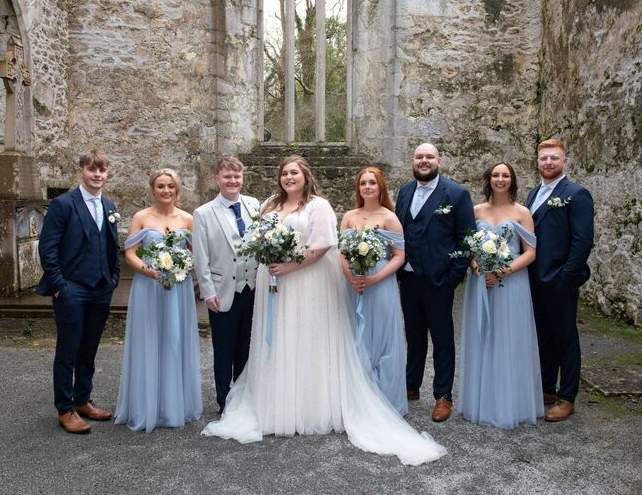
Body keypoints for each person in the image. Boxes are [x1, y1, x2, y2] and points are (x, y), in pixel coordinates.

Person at [202, 156, 446, 466]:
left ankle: (311, 405)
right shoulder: (268, 206)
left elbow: (321, 247)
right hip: (275, 282)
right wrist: (271, 258)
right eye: (285, 173)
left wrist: (290, 265)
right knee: (279, 340)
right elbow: (256, 239)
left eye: (295, 173)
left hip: (307, 282)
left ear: (306, 176)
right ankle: (276, 404)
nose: (289, 177)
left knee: (307, 338)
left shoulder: (318, 206)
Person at [36, 149, 120, 434]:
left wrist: (113, 279)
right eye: (91, 170)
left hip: (100, 289)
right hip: (71, 289)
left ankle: (83, 399)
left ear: (107, 173)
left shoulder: (109, 206)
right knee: (68, 350)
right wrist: (60, 286)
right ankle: (65, 408)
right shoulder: (63, 204)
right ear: (81, 171)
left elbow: (111, 246)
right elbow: (48, 249)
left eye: (102, 170)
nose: (97, 175)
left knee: (89, 348)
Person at [456, 161, 543, 428]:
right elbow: (468, 248)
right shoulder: (475, 211)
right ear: (488, 180)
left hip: (511, 283)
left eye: (505, 175)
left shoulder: (522, 212)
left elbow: (531, 252)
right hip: (481, 282)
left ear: (512, 180)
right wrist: (477, 267)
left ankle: (509, 403)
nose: (500, 179)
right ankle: (481, 401)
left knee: (509, 338)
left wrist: (502, 271)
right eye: (495, 175)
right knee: (483, 338)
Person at [114, 169, 202, 432]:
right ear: (152, 190)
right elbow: (130, 253)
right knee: (149, 339)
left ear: (177, 190)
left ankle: (174, 405)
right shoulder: (141, 217)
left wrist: (185, 267)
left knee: (175, 341)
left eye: (171, 186)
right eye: (161, 186)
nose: (166, 191)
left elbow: (196, 253)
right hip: (148, 285)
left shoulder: (187, 219)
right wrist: (147, 270)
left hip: (178, 288)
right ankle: (146, 405)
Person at [395, 143, 476, 422]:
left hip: (439, 280)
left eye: (429, 156)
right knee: (413, 335)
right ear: (413, 161)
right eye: (419, 156)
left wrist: (452, 277)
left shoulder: (455, 193)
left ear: (439, 160)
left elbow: (467, 239)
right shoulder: (405, 191)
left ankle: (443, 395)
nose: (424, 161)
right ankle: (411, 384)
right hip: (407, 276)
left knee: (442, 338)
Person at [525, 138, 594, 422]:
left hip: (559, 280)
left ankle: (567, 397)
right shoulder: (532, 194)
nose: (549, 163)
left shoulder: (576, 194)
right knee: (544, 336)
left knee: (565, 338)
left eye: (554, 158)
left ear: (564, 161)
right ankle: (546, 388)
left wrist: (567, 277)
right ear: (538, 162)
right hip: (533, 279)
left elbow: (582, 241)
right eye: (544, 158)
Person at [192, 156, 259, 414]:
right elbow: (201, 257)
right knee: (223, 347)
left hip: (251, 287)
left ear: (242, 178)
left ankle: (242, 396)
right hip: (222, 291)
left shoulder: (254, 205)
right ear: (217, 179)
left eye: (237, 176)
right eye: (227, 177)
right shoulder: (204, 213)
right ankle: (224, 398)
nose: (232, 181)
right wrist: (208, 292)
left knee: (246, 345)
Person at [339, 167, 408, 415]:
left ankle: (385, 400)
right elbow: (342, 254)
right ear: (358, 188)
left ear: (380, 187)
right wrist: (351, 278)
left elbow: (399, 257)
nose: (367, 187)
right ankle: (359, 398)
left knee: (383, 338)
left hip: (381, 285)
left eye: (372, 183)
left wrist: (375, 278)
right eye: (363, 183)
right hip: (354, 284)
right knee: (357, 335)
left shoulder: (389, 217)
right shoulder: (349, 216)